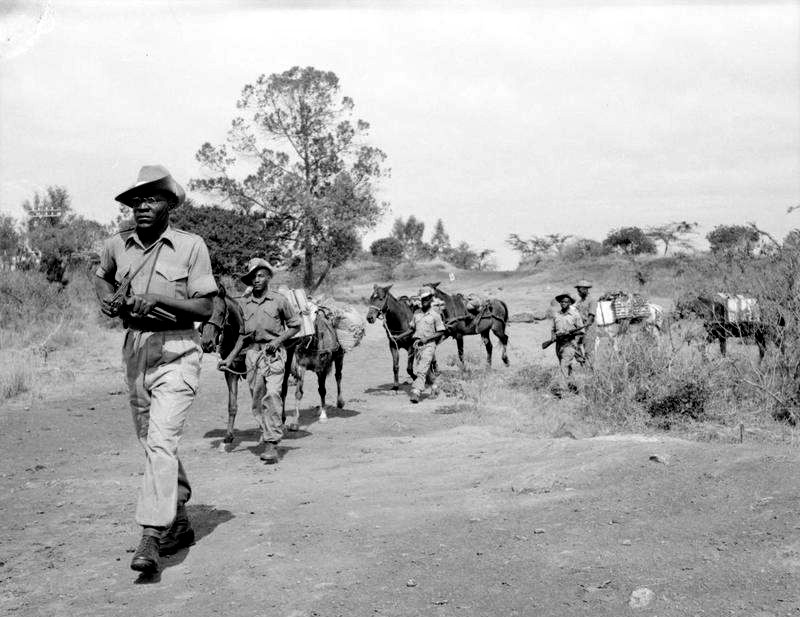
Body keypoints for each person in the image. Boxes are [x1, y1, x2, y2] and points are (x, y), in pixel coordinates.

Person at [95, 165, 217, 575]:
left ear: (169, 204)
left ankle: (151, 534)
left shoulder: (190, 246)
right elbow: (101, 278)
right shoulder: (117, 245)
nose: (141, 207)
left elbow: (205, 307)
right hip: (136, 350)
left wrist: (157, 300)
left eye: (151, 199)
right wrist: (110, 300)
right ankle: (180, 520)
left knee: (161, 443)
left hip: (179, 348)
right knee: (153, 442)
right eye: (136, 201)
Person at [219, 258, 300, 464]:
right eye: (253, 277)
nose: (257, 280)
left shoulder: (279, 300)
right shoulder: (244, 304)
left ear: (268, 277)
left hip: (274, 355)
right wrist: (228, 359)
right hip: (252, 356)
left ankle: (272, 444)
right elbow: (241, 337)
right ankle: (267, 432)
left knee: (273, 394)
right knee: (257, 401)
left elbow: (295, 325)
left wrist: (278, 340)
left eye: (261, 275)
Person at [409, 286, 446, 403]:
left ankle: (416, 391)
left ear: (430, 300)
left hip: (429, 345)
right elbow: (411, 328)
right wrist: (398, 336)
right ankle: (435, 386)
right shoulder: (416, 313)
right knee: (428, 369)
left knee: (421, 369)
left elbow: (441, 331)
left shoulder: (435, 315)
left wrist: (427, 339)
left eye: (426, 299)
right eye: (422, 299)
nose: (424, 301)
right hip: (417, 346)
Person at [551, 292, 585, 393]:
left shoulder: (575, 315)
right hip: (559, 345)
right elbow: (553, 329)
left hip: (570, 344)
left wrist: (569, 334)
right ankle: (573, 386)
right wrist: (552, 336)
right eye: (562, 302)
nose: (564, 303)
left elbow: (581, 331)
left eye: (566, 302)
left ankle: (561, 390)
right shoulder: (556, 314)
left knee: (564, 365)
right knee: (566, 366)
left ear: (570, 303)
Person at [574, 280, 597, 365]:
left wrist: (583, 328)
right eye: (578, 290)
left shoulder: (592, 300)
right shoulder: (580, 301)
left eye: (579, 290)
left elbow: (591, 317)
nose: (578, 292)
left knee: (588, 350)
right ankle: (582, 361)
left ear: (585, 289)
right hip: (580, 327)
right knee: (572, 345)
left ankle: (591, 370)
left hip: (589, 328)